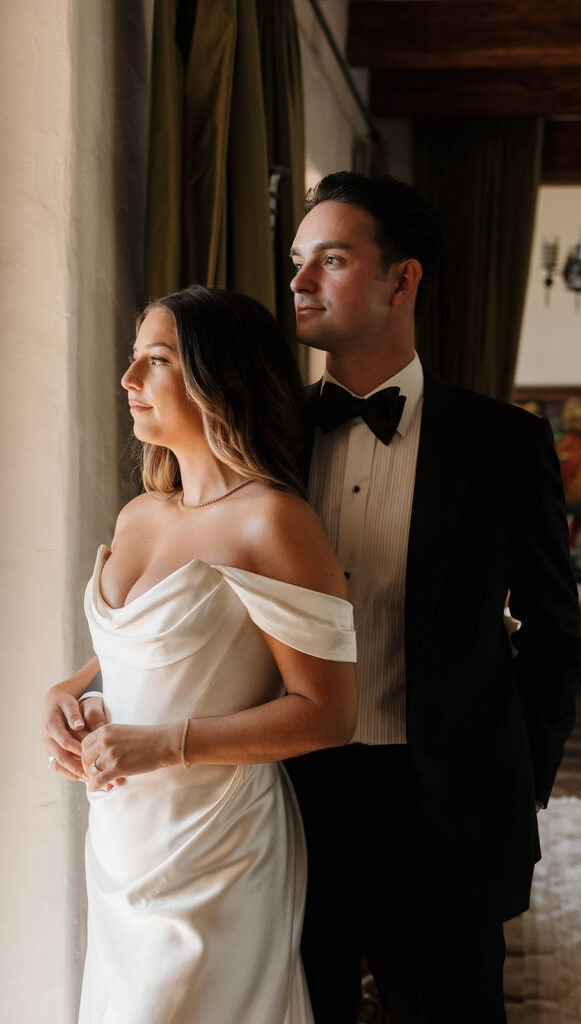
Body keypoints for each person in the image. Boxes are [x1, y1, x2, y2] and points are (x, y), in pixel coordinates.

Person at [282, 173, 581, 1023]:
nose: (300, 282)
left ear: (401, 278)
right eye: (296, 261)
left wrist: (517, 775)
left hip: (445, 804)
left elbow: (555, 634)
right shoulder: (267, 432)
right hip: (292, 798)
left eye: (330, 260)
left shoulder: (502, 442)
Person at [41, 285, 357, 1024]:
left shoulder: (273, 522)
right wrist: (67, 688)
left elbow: (327, 713)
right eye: (133, 359)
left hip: (217, 846)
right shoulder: (141, 513)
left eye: (155, 361)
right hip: (122, 837)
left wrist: (164, 744)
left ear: (222, 378)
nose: (128, 381)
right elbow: (149, 648)